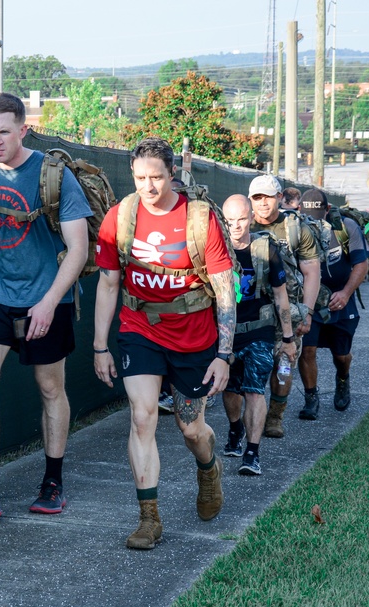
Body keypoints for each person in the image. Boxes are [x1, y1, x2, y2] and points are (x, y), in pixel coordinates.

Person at [0, 92, 92, 523]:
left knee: (50, 388)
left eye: (4, 132)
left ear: (23, 129)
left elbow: (79, 248)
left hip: (47, 297)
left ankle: (53, 482)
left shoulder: (54, 176)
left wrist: (51, 301)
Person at [92, 137, 235, 550]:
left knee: (191, 428)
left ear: (172, 174)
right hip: (140, 329)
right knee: (141, 417)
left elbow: (225, 291)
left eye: (156, 177)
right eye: (140, 178)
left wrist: (224, 355)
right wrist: (100, 345)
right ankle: (148, 518)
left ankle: (208, 469)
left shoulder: (198, 218)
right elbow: (108, 282)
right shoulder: (120, 217)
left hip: (195, 337)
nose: (148, 186)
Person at [220, 195, 297, 476]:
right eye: (230, 221)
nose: (236, 226)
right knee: (230, 389)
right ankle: (234, 428)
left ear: (251, 218)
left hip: (259, 330)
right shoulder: (216, 248)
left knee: (254, 389)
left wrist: (287, 339)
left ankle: (252, 453)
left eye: (241, 219)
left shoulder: (266, 250)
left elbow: (280, 295)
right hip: (227, 332)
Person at [247, 174, 322, 438]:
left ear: (279, 198)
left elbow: (312, 271)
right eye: (257, 198)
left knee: (284, 366)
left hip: (286, 314)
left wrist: (308, 312)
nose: (263, 203)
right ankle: (246, 420)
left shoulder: (295, 228)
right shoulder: (239, 224)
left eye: (268, 196)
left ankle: (275, 417)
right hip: (251, 312)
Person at [297, 189, 369, 417]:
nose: (313, 220)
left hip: (340, 300)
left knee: (341, 355)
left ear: (327, 209)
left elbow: (361, 264)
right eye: (308, 215)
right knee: (306, 350)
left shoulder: (346, 227)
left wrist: (346, 293)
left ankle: (343, 379)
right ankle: (311, 399)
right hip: (310, 301)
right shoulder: (296, 228)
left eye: (318, 214)